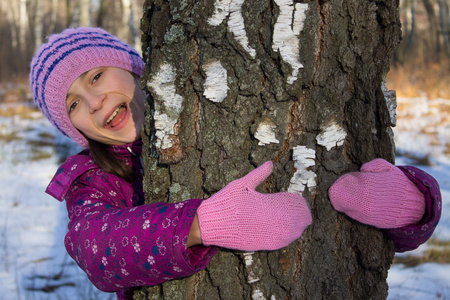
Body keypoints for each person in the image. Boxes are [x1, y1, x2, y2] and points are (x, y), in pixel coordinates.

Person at [29, 27, 441, 299]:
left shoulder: (202, 101)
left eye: (96, 76)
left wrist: (413, 205)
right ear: (74, 129)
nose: (95, 102)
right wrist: (200, 224)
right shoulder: (93, 178)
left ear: (133, 68)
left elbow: (390, 244)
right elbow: (95, 249)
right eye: (74, 105)